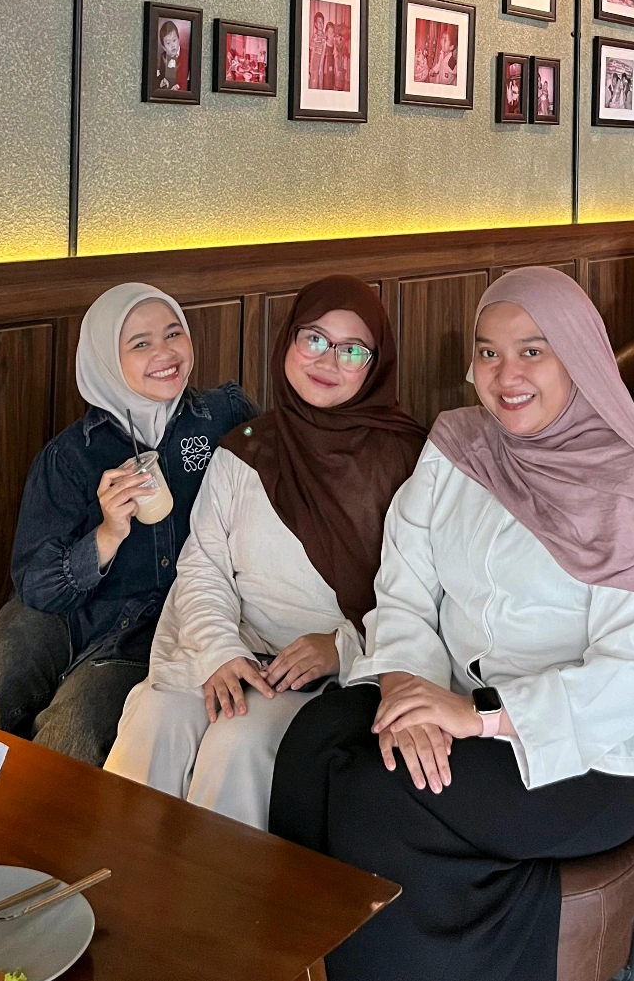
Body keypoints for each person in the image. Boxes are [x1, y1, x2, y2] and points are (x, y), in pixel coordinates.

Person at [269, 268, 634, 981]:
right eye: (488, 351)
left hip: (587, 750)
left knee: (384, 794)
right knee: (313, 742)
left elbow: (632, 672)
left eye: (532, 351)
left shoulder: (626, 487)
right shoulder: (459, 447)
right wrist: (408, 688)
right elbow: (404, 586)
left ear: (578, 357)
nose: (505, 374)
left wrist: (476, 717)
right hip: (452, 692)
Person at [105, 277, 425, 829]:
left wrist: (341, 647)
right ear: (288, 342)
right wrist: (220, 652)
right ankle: (116, 877)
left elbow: (426, 594)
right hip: (234, 646)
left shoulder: (408, 461)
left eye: (352, 350)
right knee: (154, 715)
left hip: (341, 669)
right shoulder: (245, 448)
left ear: (376, 364)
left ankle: (215, 887)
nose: (328, 360)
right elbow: (203, 565)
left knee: (239, 739)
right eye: (314, 339)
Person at [0, 284, 255, 766]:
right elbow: (36, 583)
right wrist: (106, 535)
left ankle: (36, 819)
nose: (165, 353)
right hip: (64, 613)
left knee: (76, 724)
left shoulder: (222, 418)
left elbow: (276, 456)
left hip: (157, 621)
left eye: (174, 334)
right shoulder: (72, 456)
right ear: (106, 359)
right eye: (141, 343)